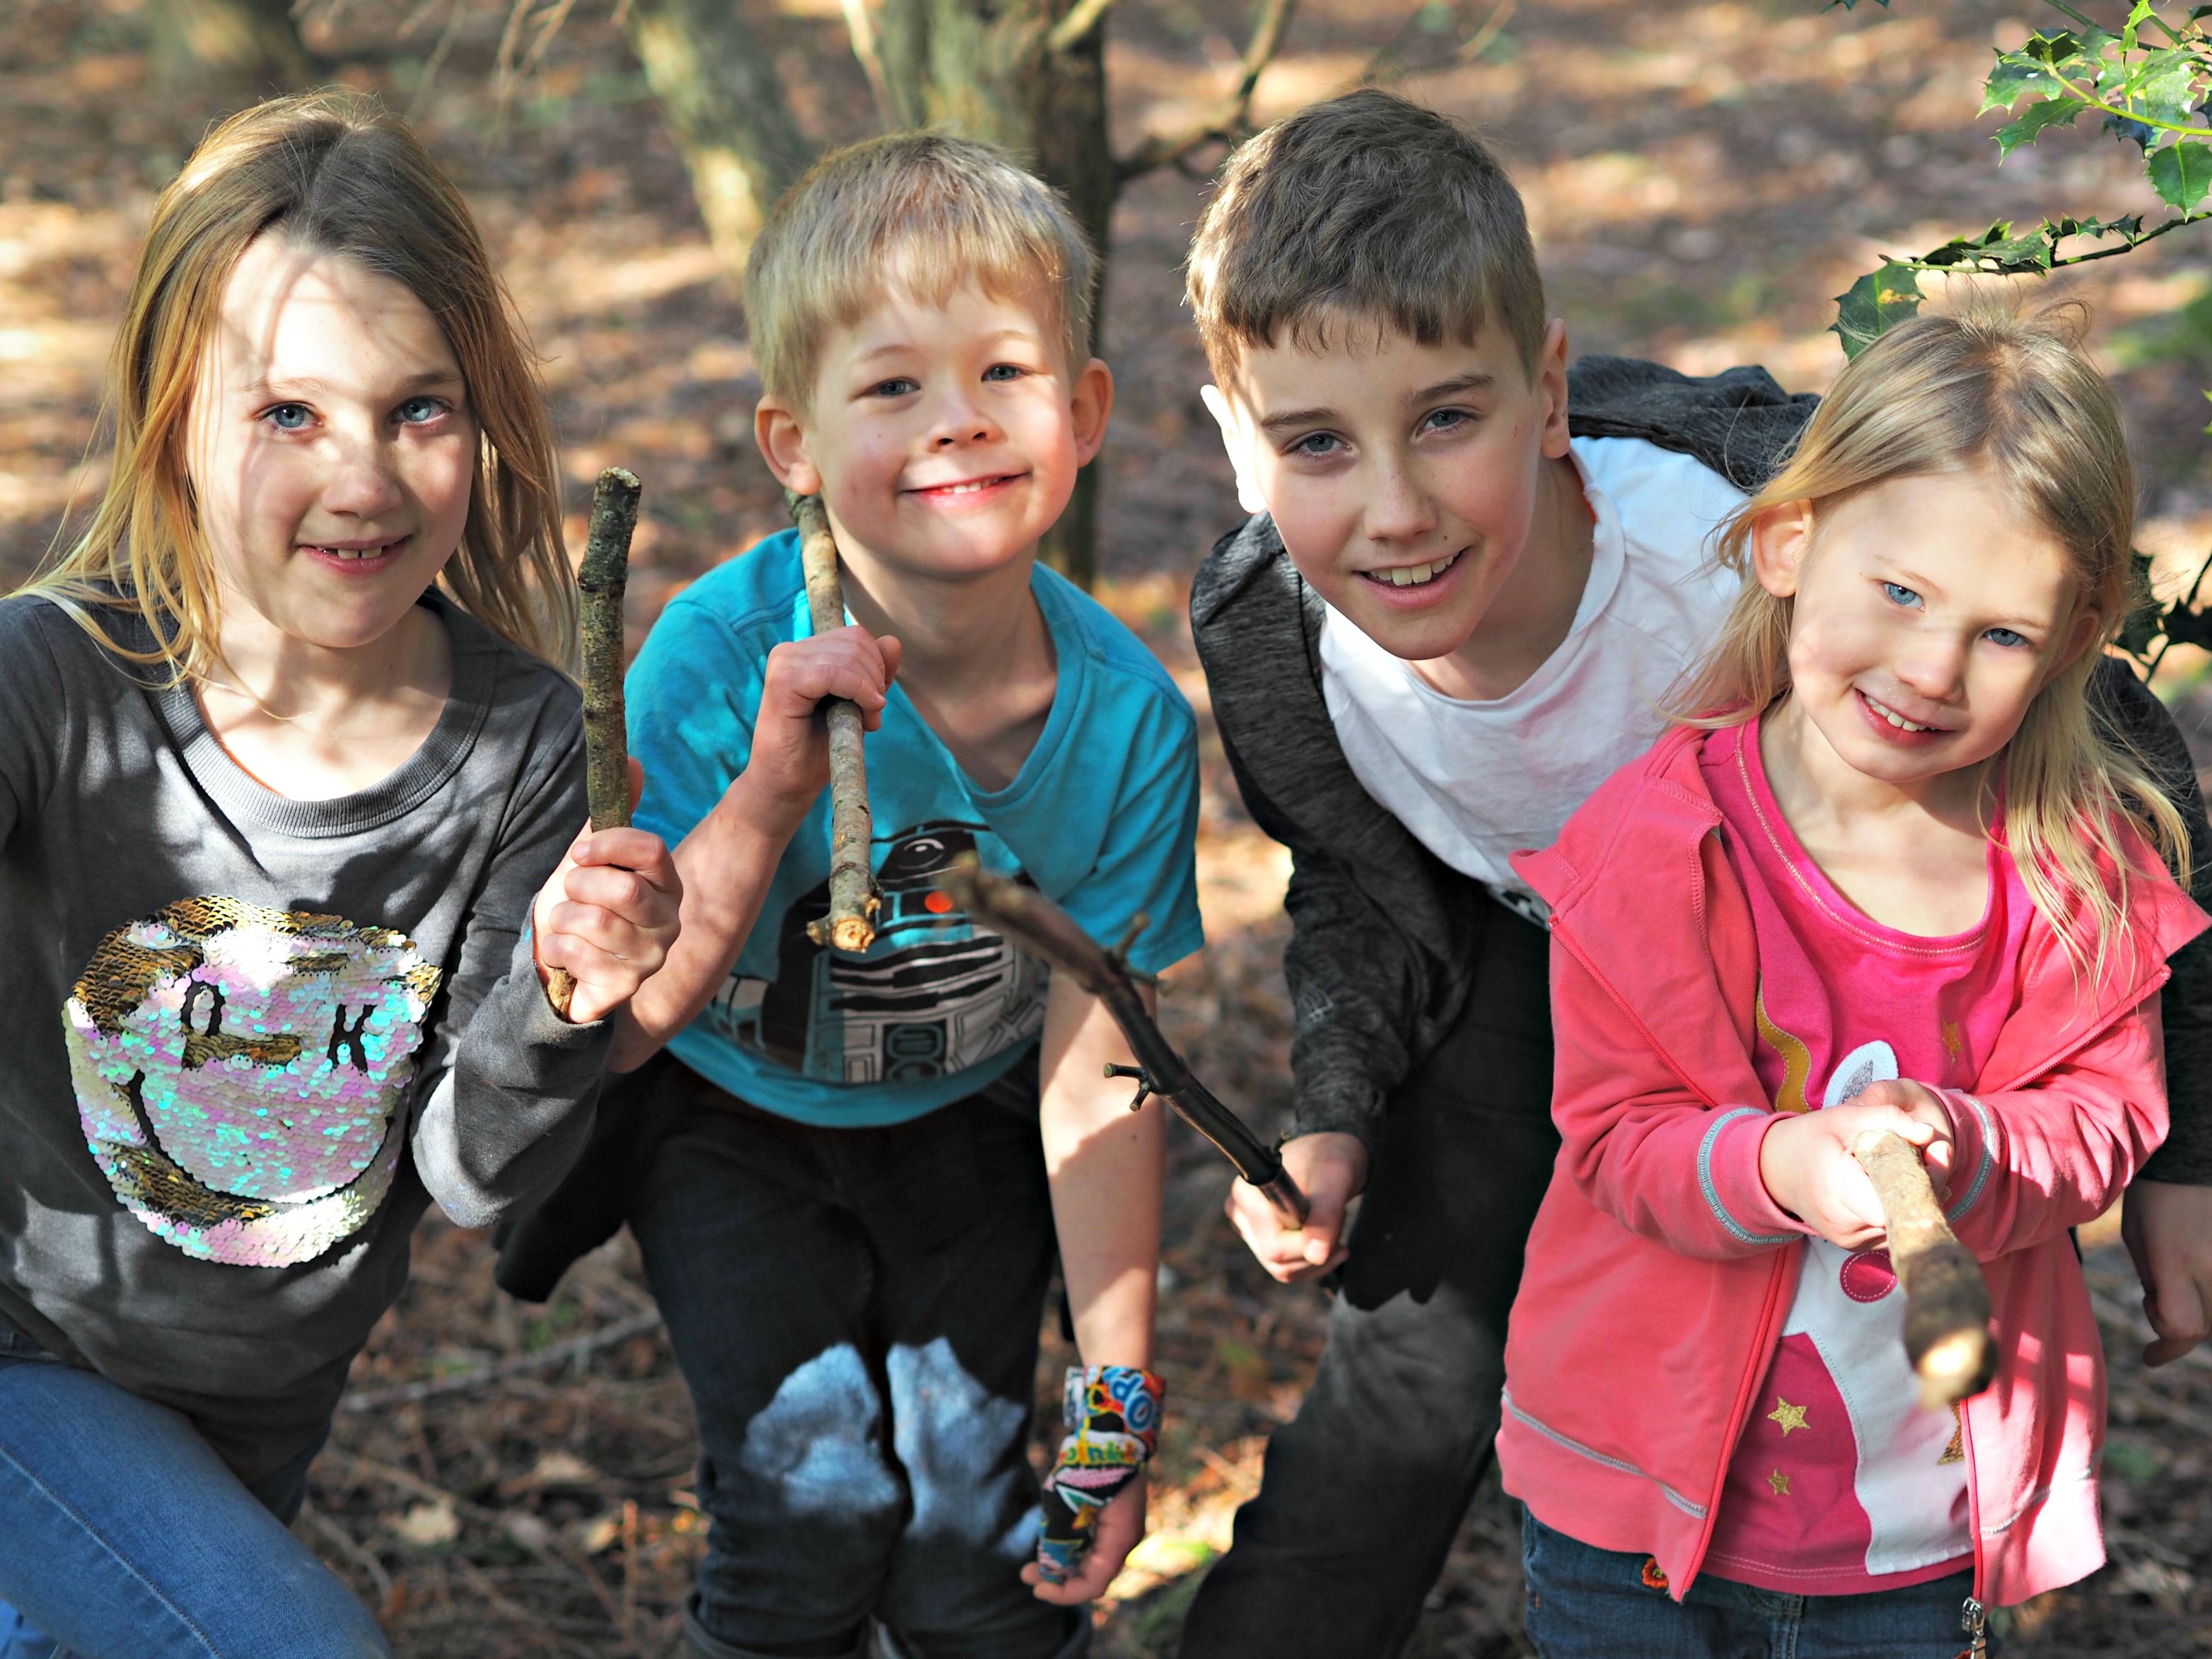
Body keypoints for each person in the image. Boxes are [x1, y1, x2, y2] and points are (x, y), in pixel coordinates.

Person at [1177, 88, 2212, 1658]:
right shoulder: (1268, 628)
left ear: (1544, 391)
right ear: (1236, 446)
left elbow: (2120, 778)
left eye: (1446, 418)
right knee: (1406, 1376)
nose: (1392, 509)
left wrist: (2187, 1152)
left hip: (1841, 911)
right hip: (1536, 954)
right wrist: (1334, 1097)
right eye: (1316, 443)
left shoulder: (1747, 523)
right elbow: (1350, 874)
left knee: (1792, 1305)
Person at [0, 92, 682, 1658]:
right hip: (25, 1365)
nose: (365, 481)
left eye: (417, 410)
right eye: (288, 415)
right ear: (176, 416)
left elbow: (466, 1171)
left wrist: (561, 997)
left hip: (254, 1420)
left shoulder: (522, 744)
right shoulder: (54, 679)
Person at [513, 132, 1202, 1659]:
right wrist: (767, 785)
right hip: (724, 1118)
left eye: (1004, 372)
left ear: (1084, 412)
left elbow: (1100, 1083)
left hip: (964, 1125)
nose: (956, 422)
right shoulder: (707, 661)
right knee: (804, 1515)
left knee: (978, 1555)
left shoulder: (1130, 728)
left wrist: (1116, 1420)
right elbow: (623, 1028)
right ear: (794, 444)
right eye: (892, 386)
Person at [1498, 305, 2206, 1652]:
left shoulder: (2071, 872)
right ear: (1788, 542)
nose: (1932, 669)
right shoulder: (1653, 848)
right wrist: (1780, 1169)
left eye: (2002, 634)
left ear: (2070, 644)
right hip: (1634, 1508)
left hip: (1910, 1524)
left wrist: (1975, 1143)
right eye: (1900, 594)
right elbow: (1614, 1136)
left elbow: (2105, 1115)